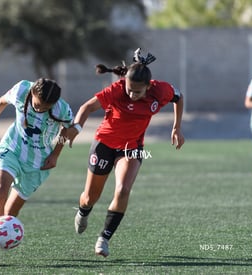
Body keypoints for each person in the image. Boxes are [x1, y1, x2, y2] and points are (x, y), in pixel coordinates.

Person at [65, 48, 185, 257]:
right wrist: (76, 128)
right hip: (104, 144)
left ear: (148, 87)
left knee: (123, 190)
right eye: (129, 89)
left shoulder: (160, 91)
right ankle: (84, 211)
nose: (131, 94)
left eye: (137, 92)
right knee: (90, 197)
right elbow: (86, 107)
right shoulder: (117, 89)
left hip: (131, 148)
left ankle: (104, 238)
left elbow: (179, 97)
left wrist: (176, 127)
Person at [0, 78, 75, 265]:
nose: (40, 110)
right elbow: (1, 101)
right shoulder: (21, 90)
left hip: (38, 162)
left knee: (10, 212)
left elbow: (67, 131)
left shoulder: (63, 109)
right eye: (37, 105)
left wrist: (56, 154)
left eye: (45, 108)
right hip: (12, 149)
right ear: (33, 94)